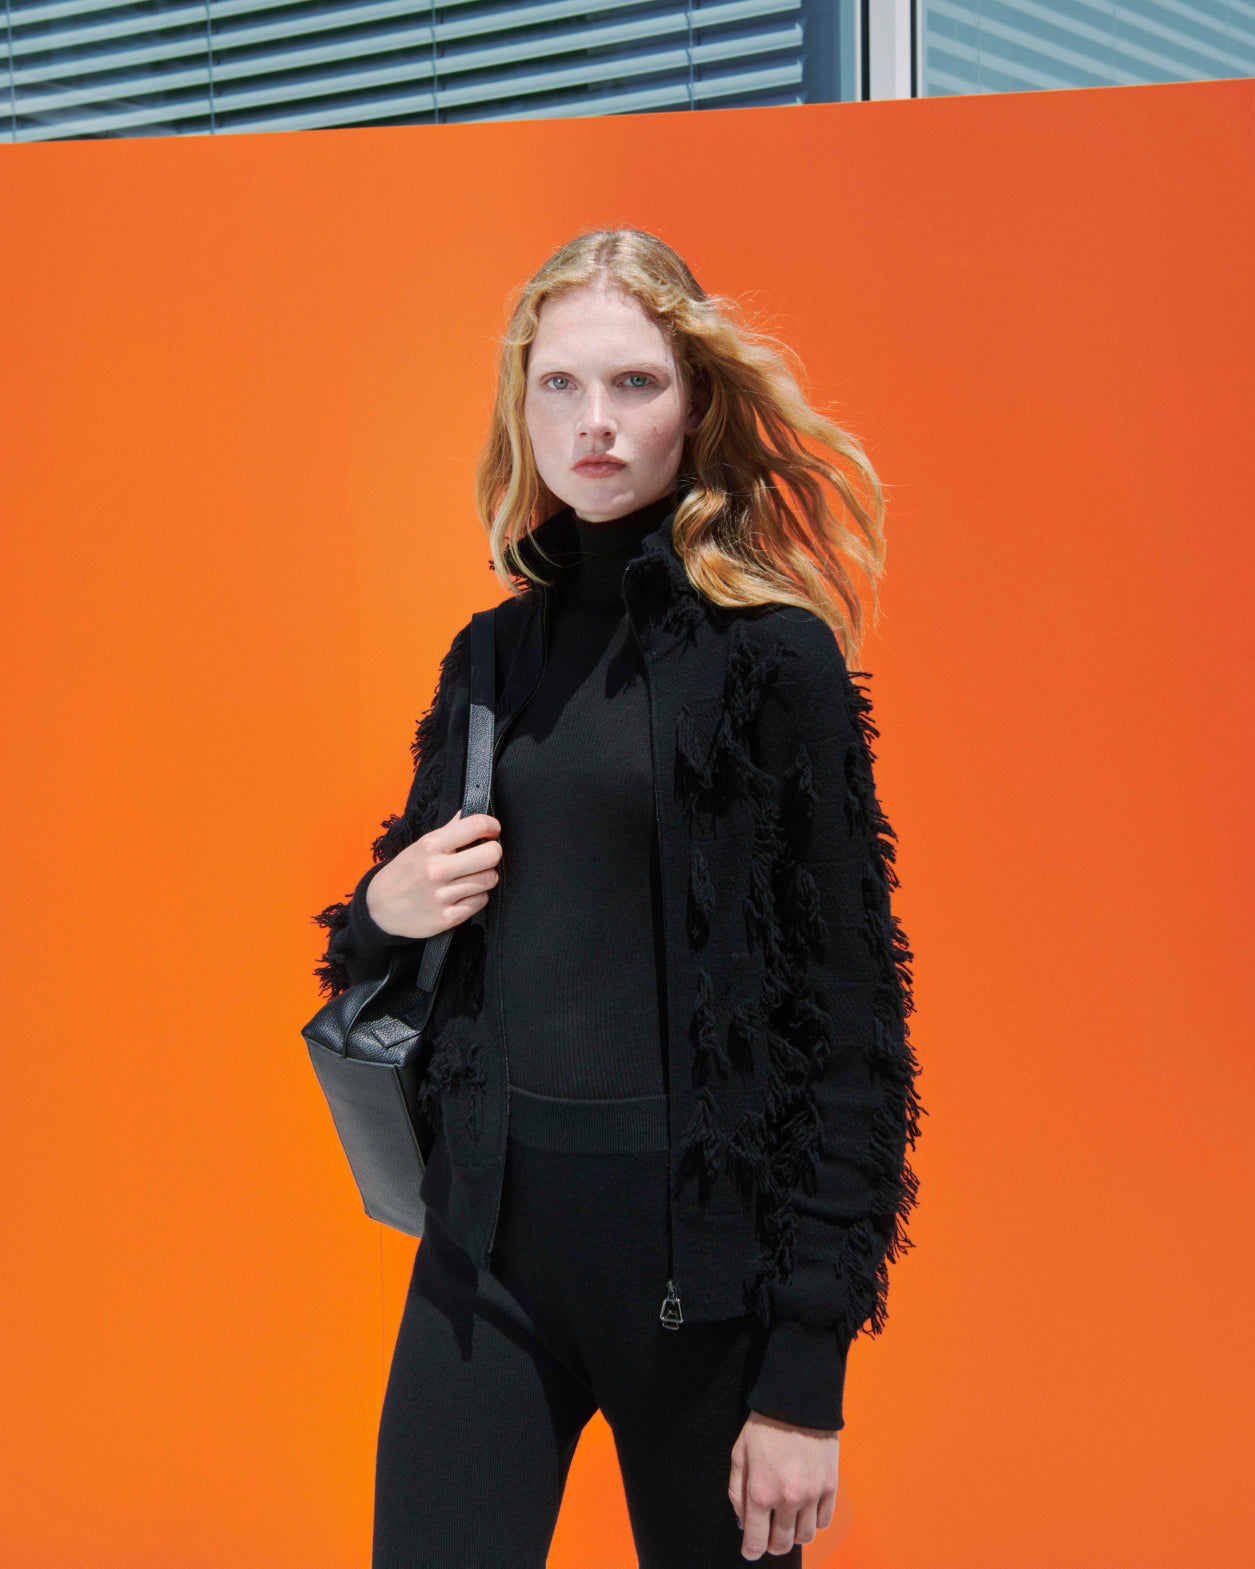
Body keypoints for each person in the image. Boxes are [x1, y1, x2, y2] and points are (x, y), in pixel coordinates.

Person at [313, 228, 923, 1567]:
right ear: (522, 410)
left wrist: (802, 1380)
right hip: (484, 1263)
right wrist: (381, 905)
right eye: (560, 385)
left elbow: (854, 1031)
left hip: (700, 1282)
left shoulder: (775, 661)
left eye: (634, 383)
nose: (593, 421)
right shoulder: (488, 656)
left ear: (693, 404)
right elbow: (389, 946)